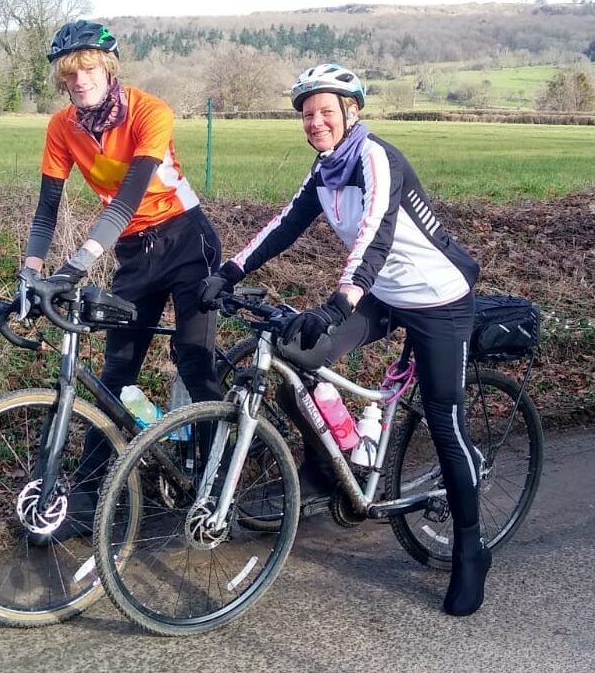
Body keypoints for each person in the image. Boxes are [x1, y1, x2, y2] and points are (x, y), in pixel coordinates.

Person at [199, 63, 489, 616]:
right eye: (308, 114)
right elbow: (285, 224)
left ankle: (470, 551)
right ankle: (327, 465)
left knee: (445, 420)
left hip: (437, 299)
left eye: (326, 111)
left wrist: (340, 300)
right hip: (380, 294)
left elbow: (376, 231)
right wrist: (230, 271)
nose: (316, 122)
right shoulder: (325, 168)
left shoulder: (375, 157)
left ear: (351, 112)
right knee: (294, 354)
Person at [20, 20, 222, 541]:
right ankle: (86, 501)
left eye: (89, 68)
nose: (80, 79)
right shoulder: (62, 127)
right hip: (132, 250)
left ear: (108, 69)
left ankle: (214, 485)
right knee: (117, 371)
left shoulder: (150, 111)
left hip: (185, 241)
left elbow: (131, 195)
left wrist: (77, 265)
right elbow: (47, 211)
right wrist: (30, 274)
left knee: (194, 361)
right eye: (70, 73)